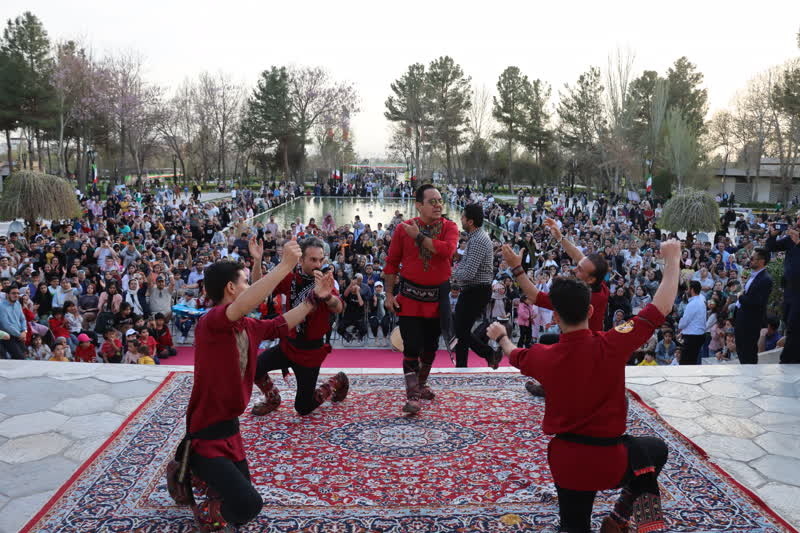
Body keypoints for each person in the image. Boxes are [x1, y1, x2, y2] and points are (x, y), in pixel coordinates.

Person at [486, 239, 682, 533]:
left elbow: (513, 353)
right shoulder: (613, 343)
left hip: (568, 463)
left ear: (555, 317)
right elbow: (661, 307)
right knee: (654, 450)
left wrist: (501, 335)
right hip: (612, 462)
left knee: (574, 527)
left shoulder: (542, 356)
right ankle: (619, 519)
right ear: (591, 312)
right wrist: (673, 258)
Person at [169, 238, 317, 532]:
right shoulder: (211, 322)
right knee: (248, 506)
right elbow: (247, 303)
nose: (250, 288)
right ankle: (193, 475)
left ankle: (199, 478)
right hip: (206, 435)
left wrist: (314, 299)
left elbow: (280, 324)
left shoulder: (247, 325)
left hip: (230, 431)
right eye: (246, 283)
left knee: (240, 504)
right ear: (231, 289)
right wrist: (285, 266)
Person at [502, 221, 609, 395]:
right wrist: (560, 237)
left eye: (579, 270)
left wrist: (516, 268)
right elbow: (579, 257)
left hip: (580, 348)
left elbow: (534, 295)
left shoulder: (576, 297)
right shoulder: (600, 285)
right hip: (591, 343)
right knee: (548, 340)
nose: (574, 269)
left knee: (541, 349)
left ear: (590, 279)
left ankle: (550, 387)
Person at [251, 237, 349, 417]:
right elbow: (258, 288)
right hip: (287, 345)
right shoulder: (290, 278)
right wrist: (257, 261)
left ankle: (337, 381)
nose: (318, 264)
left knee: (303, 407)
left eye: (320, 259)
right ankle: (273, 398)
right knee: (253, 367)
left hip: (311, 353)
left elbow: (339, 307)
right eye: (313, 260)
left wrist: (327, 296)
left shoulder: (325, 279)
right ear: (301, 260)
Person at [383, 184, 458, 415]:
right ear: (418, 205)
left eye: (440, 200)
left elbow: (447, 251)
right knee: (412, 346)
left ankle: (421, 384)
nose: (438, 205)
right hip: (409, 298)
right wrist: (388, 294)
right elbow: (392, 263)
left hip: (437, 299)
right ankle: (413, 396)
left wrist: (419, 237)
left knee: (431, 347)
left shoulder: (450, 226)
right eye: (432, 201)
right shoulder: (402, 229)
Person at [451, 203, 498, 368]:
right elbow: (466, 267)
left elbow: (469, 273)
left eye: (463, 217)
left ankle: (488, 353)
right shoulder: (475, 238)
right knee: (461, 330)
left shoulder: (478, 240)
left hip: (476, 290)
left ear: (470, 221)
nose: (461, 219)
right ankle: (462, 366)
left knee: (460, 330)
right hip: (474, 290)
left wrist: (450, 274)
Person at [765, 221, 798, 363]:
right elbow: (770, 247)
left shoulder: (796, 240)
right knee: (788, 321)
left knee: (794, 324)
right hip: (789, 290)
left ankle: (788, 359)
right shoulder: (790, 239)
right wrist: (772, 235)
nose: (797, 222)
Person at [735, 248, 773, 364]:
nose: (749, 260)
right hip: (742, 319)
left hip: (751, 322)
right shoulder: (754, 276)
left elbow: (756, 302)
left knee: (748, 353)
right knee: (741, 350)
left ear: (761, 261)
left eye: (752, 258)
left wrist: (740, 296)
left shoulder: (765, 279)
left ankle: (750, 374)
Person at [677, 281, 706, 365]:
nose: (686, 291)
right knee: (692, 361)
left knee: (685, 363)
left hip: (692, 337)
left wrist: (680, 327)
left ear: (692, 290)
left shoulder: (692, 304)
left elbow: (684, 322)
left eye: (688, 289)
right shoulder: (702, 299)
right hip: (698, 335)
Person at [0, 286, 28, 359]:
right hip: (8, 337)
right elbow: (6, 325)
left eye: (18, 293)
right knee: (20, 358)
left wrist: (24, 331)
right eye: (13, 293)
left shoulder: (18, 304)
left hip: (19, 335)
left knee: (25, 355)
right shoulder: (1, 306)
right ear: (7, 294)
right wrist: (20, 334)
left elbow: (23, 319)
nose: (16, 295)